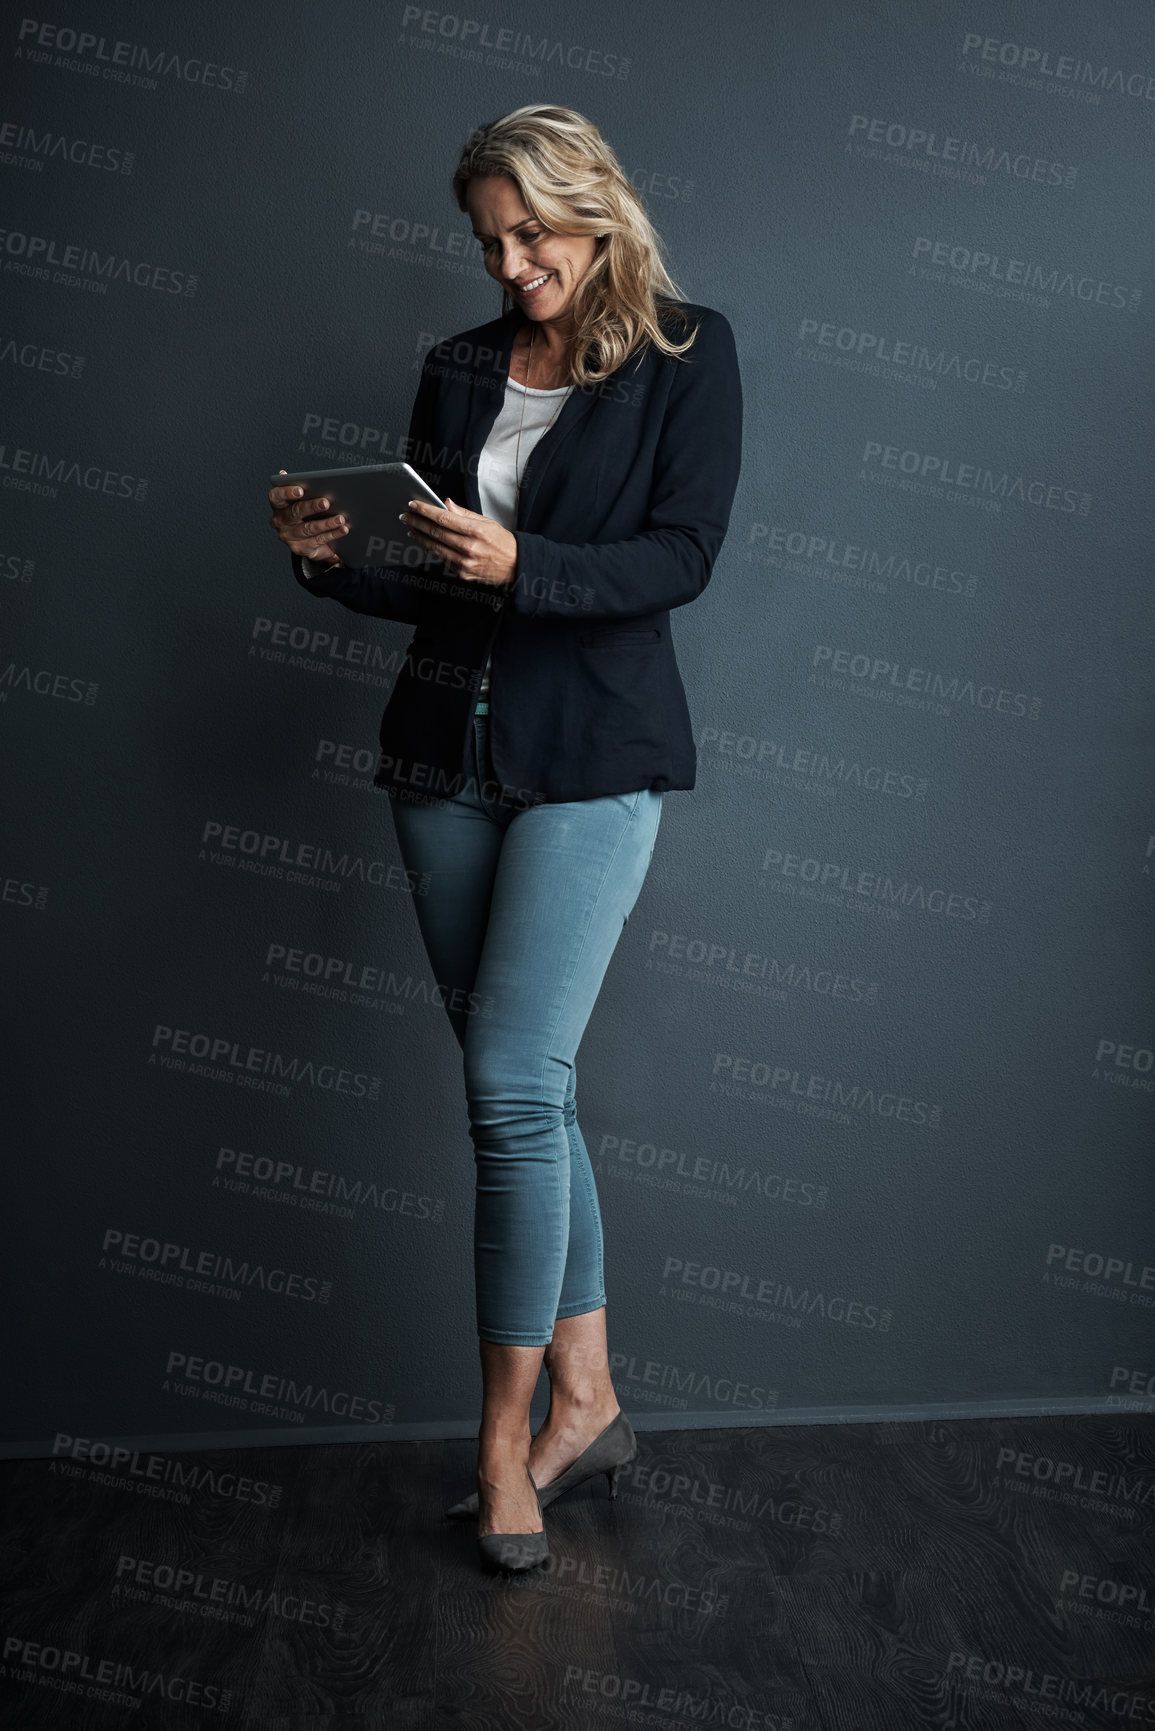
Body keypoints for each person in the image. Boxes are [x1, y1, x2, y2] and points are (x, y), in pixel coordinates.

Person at [267, 103, 743, 1572]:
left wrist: (524, 559)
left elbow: (683, 556)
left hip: (593, 756)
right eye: (489, 240)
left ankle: (502, 1445)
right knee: (529, 1094)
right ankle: (590, 1400)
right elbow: (435, 575)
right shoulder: (461, 366)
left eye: (531, 232)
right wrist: (336, 564)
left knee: (508, 1086)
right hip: (441, 759)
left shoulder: (685, 349)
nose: (511, 261)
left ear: (594, 206)